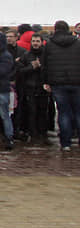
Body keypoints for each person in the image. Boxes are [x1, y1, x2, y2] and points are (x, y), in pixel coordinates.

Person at [42, 20, 80, 151]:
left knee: (63, 113)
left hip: (57, 83)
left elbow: (44, 64)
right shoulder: (77, 42)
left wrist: (46, 81)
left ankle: (66, 143)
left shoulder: (50, 44)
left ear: (55, 29)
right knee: (78, 112)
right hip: (77, 82)